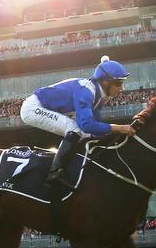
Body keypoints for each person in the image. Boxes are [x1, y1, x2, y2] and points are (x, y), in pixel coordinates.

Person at [20, 55, 136, 186]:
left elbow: (94, 129)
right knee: (74, 129)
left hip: (46, 107)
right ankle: (54, 172)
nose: (121, 88)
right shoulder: (86, 92)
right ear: (106, 82)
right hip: (33, 108)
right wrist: (119, 128)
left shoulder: (100, 96)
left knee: (85, 134)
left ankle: (73, 165)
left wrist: (110, 135)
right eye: (119, 83)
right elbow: (86, 125)